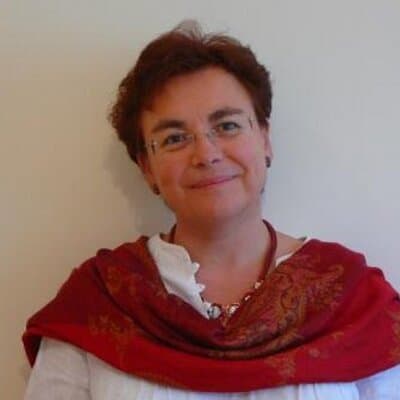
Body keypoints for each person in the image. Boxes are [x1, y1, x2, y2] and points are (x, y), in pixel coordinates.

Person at [23, 21, 400, 399]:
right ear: (147, 167)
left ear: (264, 139)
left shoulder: (354, 301)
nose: (206, 154)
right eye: (174, 138)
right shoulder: (99, 302)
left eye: (227, 125)